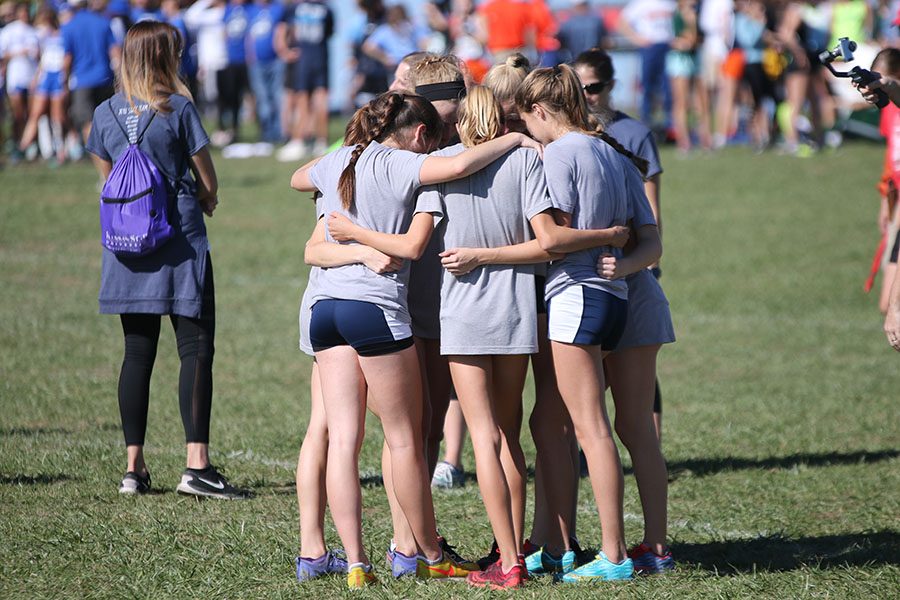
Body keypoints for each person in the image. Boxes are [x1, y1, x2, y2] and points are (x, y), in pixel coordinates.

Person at [291, 91, 540, 587]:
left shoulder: (338, 161)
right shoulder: (407, 166)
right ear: (421, 135)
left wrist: (346, 195)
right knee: (405, 437)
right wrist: (514, 136)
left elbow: (298, 178)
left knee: (343, 438)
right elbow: (459, 166)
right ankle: (427, 551)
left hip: (324, 312)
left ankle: (356, 565)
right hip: (374, 310)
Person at [85, 20, 244, 499]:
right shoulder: (177, 108)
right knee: (195, 349)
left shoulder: (105, 112)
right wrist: (209, 198)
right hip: (178, 241)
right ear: (164, 57)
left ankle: (133, 468)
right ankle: (197, 465)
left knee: (137, 353)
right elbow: (207, 177)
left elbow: (110, 177)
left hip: (128, 247)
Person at [515, 64, 637, 583]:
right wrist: (615, 241)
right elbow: (641, 234)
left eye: (527, 122)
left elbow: (553, 240)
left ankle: (614, 554)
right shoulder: (610, 150)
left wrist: (602, 234)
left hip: (577, 296)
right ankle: (558, 542)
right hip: (613, 299)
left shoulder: (562, 152)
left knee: (590, 429)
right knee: (572, 425)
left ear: (541, 111)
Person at [574, 48, 666, 439]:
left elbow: (651, 206)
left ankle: (650, 442)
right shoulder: (568, 135)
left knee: (637, 356)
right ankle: (584, 447)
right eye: (577, 89)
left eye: (592, 88)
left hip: (631, 262)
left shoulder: (635, 134)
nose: (586, 96)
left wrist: (645, 260)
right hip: (589, 266)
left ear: (610, 86)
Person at [277, 0, 334, 161]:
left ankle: (298, 141)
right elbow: (329, 32)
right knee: (320, 99)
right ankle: (321, 141)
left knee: (301, 100)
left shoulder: (295, 7)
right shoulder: (326, 9)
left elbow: (285, 30)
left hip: (303, 59)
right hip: (320, 58)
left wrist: (285, 50)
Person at [62, 0, 120, 145]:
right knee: (107, 122)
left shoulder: (69, 26)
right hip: (105, 78)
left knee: (88, 123)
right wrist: (120, 78)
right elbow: (115, 52)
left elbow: (67, 59)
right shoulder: (103, 22)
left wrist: (64, 83)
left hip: (82, 81)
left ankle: (100, 162)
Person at [18, 7, 66, 163]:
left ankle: (60, 151)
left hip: (58, 75)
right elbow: (41, 58)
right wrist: (36, 78)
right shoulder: (40, 35)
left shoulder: (63, 35)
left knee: (57, 115)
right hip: (46, 76)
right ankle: (23, 148)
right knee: (36, 113)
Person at [618, 0, 676, 129]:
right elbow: (622, 23)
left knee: (669, 86)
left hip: (668, 47)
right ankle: (646, 119)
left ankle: (670, 121)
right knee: (648, 85)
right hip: (650, 48)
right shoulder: (640, 4)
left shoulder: (670, 4)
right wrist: (637, 39)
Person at [0, 1, 38, 162]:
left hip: (31, 77)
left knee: (30, 113)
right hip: (15, 77)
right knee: (17, 114)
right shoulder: (9, 31)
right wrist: (19, 53)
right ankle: (16, 144)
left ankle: (29, 145)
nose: (25, 16)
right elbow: (3, 55)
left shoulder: (33, 31)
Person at [246, 0, 285, 144]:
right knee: (263, 99)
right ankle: (266, 133)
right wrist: (250, 56)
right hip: (257, 63)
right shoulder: (250, 10)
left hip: (275, 61)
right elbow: (248, 37)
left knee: (276, 97)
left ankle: (277, 133)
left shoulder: (278, 8)